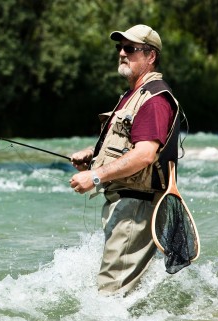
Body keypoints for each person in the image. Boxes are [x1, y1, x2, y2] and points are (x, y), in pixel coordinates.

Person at [68, 24, 181, 295]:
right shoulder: (134, 95)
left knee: (111, 295)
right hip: (127, 206)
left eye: (130, 49)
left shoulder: (154, 99)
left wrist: (95, 176)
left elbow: (144, 155)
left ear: (151, 56)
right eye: (120, 47)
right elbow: (127, 145)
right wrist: (93, 156)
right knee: (122, 292)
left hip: (137, 208)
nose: (122, 53)